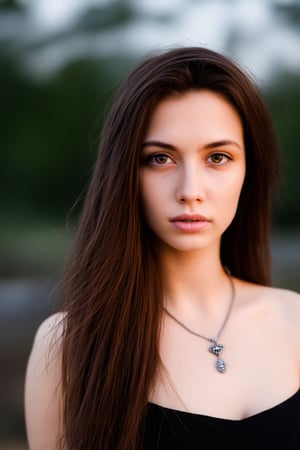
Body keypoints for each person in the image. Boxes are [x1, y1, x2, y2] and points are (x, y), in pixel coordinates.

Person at [24, 46, 300, 450]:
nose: (190, 191)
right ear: (124, 174)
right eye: (160, 159)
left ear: (249, 170)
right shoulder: (70, 344)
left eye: (218, 157)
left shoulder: (294, 320)